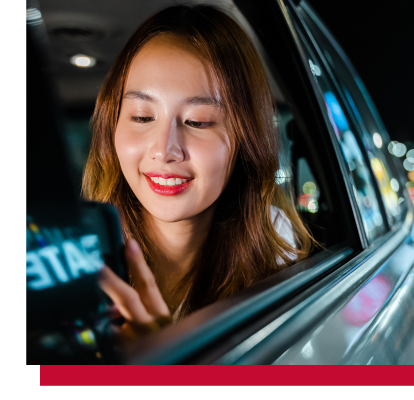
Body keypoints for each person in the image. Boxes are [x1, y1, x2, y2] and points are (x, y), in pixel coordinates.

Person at [82, 4, 314, 342]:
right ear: (111, 127)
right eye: (142, 117)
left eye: (198, 121)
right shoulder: (63, 264)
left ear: (246, 139)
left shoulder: (279, 256)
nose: (164, 150)